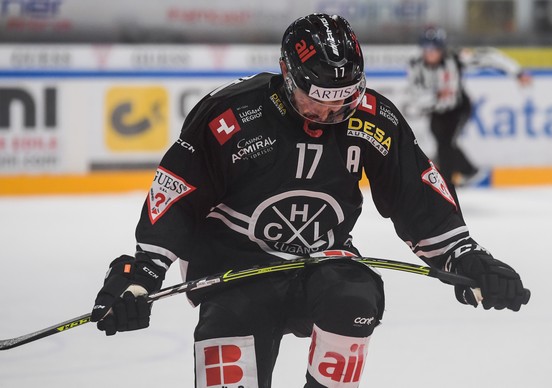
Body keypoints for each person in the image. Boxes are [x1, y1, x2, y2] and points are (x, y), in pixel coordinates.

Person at [91, 14, 529, 388]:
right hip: (235, 267)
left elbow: (416, 196)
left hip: (323, 260)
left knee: (355, 298)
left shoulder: (374, 120)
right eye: (317, 103)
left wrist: (466, 258)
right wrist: (142, 271)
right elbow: (178, 195)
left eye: (344, 103)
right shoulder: (231, 116)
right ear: (287, 76)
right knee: (232, 324)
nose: (330, 116)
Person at [407, 26, 532, 186]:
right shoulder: (415, 66)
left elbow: (489, 57)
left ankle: (446, 184)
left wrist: (517, 72)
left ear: (442, 48)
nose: (431, 53)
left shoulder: (456, 58)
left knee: (446, 144)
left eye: (435, 49)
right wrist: (435, 96)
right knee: (442, 142)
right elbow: (415, 97)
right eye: (427, 48)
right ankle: (469, 171)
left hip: (459, 108)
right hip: (436, 111)